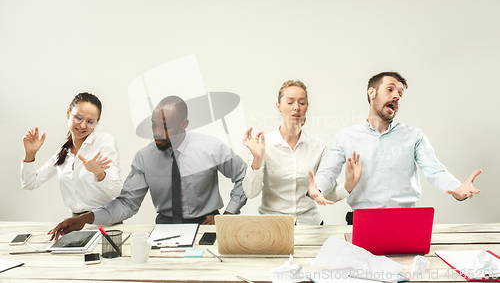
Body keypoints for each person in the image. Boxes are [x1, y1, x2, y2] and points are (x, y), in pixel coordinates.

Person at [48, 95, 247, 241]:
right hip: (165, 229)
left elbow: (243, 176)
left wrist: (228, 216)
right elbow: (127, 204)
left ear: (184, 124)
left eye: (166, 127)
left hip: (207, 227)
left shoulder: (211, 147)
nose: (158, 133)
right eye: (154, 125)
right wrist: (86, 218)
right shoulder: (144, 158)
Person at [308, 71, 481, 224]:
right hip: (363, 222)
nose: (397, 96)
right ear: (372, 93)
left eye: (400, 93)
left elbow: (435, 171)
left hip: (407, 221)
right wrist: (318, 189)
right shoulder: (345, 137)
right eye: (390, 90)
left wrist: (457, 189)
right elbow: (327, 174)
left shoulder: (414, 136)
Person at [243, 80, 363, 225]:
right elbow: (251, 192)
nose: (296, 107)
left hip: (310, 226)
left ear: (307, 107)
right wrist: (257, 160)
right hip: (273, 228)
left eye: (301, 102)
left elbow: (323, 194)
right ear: (278, 106)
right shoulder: (262, 145)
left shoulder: (318, 147)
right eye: (290, 102)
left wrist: (348, 186)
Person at [21, 92, 121, 216]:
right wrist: (30, 154)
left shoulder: (104, 142)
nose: (83, 125)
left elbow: (115, 190)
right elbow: (29, 183)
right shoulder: (62, 153)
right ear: (68, 113)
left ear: (97, 121)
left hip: (105, 220)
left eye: (90, 121)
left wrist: (99, 173)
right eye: (78, 118)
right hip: (76, 223)